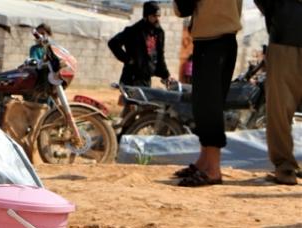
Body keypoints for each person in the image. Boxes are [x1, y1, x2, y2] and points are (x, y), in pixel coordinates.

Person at [173, 0, 243, 186]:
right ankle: (204, 163)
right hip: (225, 39)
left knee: (208, 105)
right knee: (209, 103)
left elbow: (183, 8)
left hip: (212, 39)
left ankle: (213, 170)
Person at [254, 0, 302, 185]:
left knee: (279, 109)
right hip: (284, 37)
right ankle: (285, 167)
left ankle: (285, 167)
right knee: (280, 109)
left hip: (284, 34)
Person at [108, 1, 172, 87]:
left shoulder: (158, 33)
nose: (157, 19)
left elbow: (160, 55)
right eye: (154, 16)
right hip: (132, 77)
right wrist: (128, 60)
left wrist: (166, 75)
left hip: (146, 78)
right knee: (129, 100)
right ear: (146, 16)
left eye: (158, 16)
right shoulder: (134, 31)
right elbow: (113, 43)